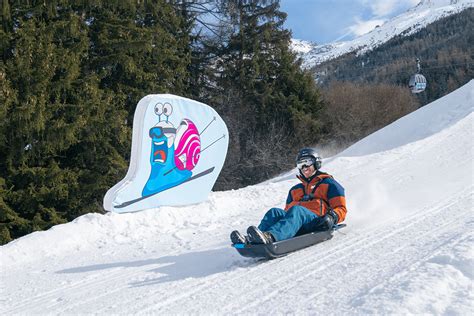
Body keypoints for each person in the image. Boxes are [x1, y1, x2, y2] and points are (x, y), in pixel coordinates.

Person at [230, 148, 347, 245]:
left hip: (317, 222)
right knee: (274, 212)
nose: (305, 167)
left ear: (316, 163)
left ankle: (271, 237)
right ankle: (254, 238)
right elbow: (288, 215)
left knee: (297, 210)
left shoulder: (329, 184)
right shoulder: (295, 190)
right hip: (297, 224)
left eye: (308, 163)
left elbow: (341, 208)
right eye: (301, 164)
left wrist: (332, 217)